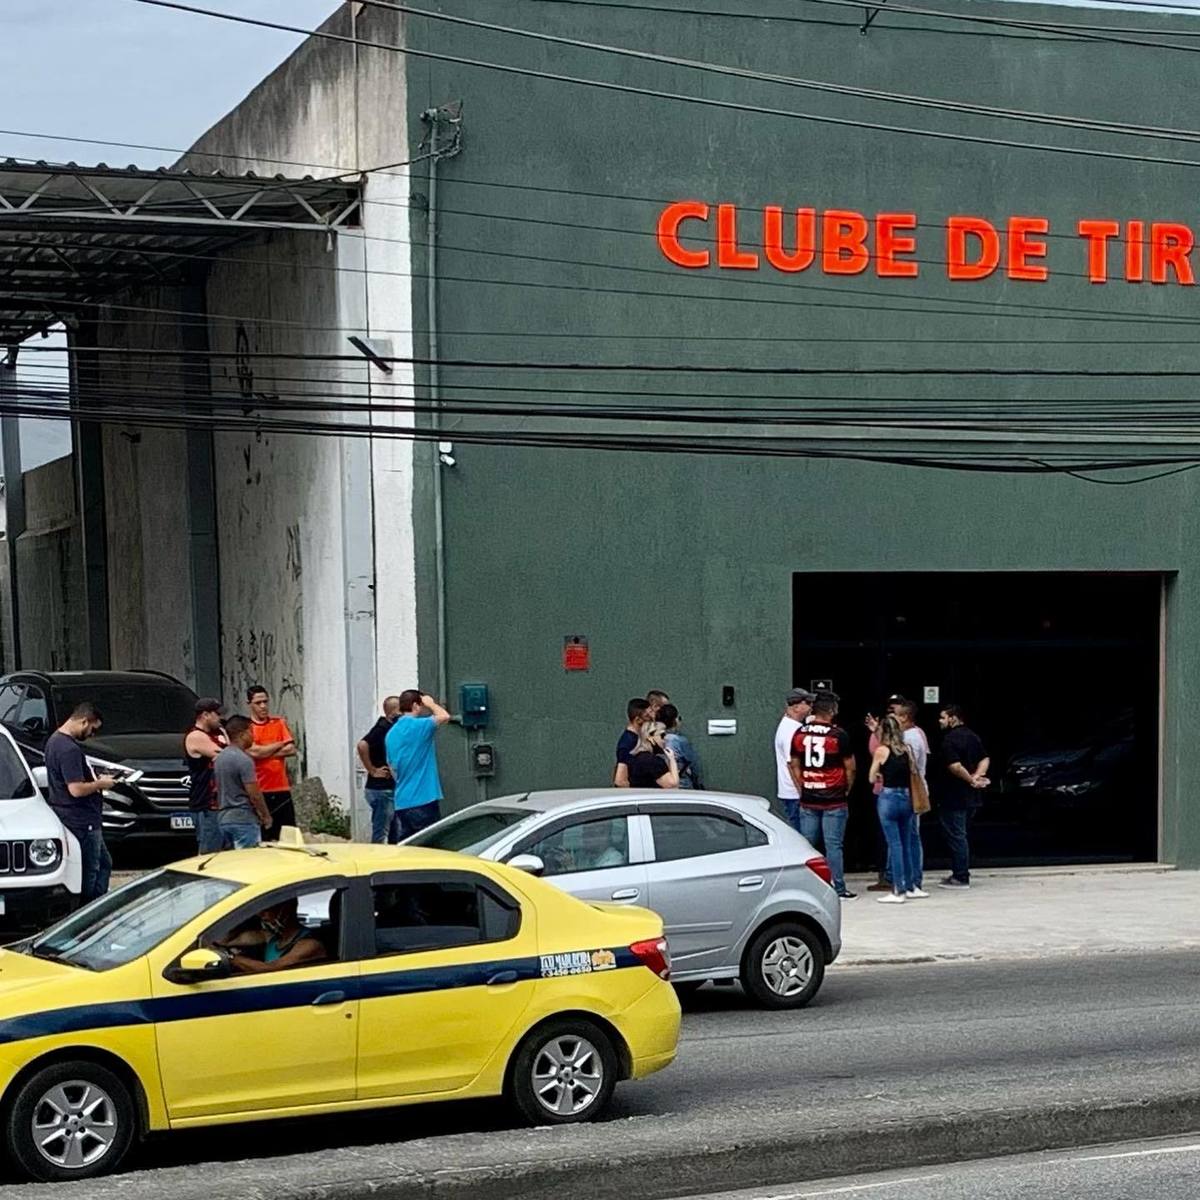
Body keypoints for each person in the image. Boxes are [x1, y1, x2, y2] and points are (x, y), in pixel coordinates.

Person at [44, 702, 116, 906]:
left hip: (74, 815)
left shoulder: (54, 741)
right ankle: (89, 908)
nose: (92, 734)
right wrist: (100, 784)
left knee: (104, 863)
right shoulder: (69, 749)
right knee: (91, 869)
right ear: (84, 721)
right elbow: (75, 789)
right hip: (82, 819)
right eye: (93, 729)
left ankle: (95, 904)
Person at [790, 691, 857, 899]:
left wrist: (802, 786)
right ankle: (838, 888)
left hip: (809, 796)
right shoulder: (838, 735)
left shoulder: (800, 733)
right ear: (832, 711)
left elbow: (794, 764)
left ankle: (805, 887)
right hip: (834, 798)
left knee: (807, 845)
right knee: (833, 845)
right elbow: (850, 767)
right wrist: (846, 789)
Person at [867, 715, 922, 904]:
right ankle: (910, 885)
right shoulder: (907, 750)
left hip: (888, 797)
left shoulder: (882, 750)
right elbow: (913, 771)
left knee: (894, 844)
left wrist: (880, 774)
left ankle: (898, 889)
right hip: (906, 797)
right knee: (906, 843)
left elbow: (871, 778)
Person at [385, 690, 452, 838]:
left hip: (402, 801)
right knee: (429, 846)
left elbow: (392, 767)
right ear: (415, 705)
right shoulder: (420, 726)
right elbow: (444, 716)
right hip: (423, 798)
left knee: (408, 846)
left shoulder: (391, 733)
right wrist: (431, 704)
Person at [937, 705, 990, 889]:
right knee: (961, 834)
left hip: (953, 796)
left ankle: (961, 876)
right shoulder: (973, 736)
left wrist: (970, 779)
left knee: (956, 836)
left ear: (953, 718)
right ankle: (959, 871)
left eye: (943, 717)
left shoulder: (949, 740)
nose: (940, 721)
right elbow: (985, 758)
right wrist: (977, 775)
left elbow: (955, 766)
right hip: (971, 796)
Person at [215, 898, 328, 974]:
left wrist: (231, 958)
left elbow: (272, 969)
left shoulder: (309, 944)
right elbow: (225, 940)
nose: (261, 914)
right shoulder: (271, 936)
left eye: (267, 909)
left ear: (286, 909)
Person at [245, 685, 298, 841]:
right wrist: (278, 744)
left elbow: (291, 749)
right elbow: (254, 752)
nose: (263, 706)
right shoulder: (247, 727)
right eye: (258, 703)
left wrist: (264, 752)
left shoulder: (278, 723)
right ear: (249, 704)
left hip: (281, 787)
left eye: (265, 702)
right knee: (264, 835)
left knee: (288, 834)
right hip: (260, 788)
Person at [214, 715, 272, 849]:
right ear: (242, 734)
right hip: (243, 820)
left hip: (223, 819)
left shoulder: (220, 759)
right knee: (247, 859)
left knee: (231, 860)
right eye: (251, 731)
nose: (253, 736)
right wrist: (266, 816)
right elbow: (254, 794)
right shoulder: (244, 760)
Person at [893, 697, 930, 893]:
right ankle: (911, 879)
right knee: (910, 836)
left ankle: (913, 880)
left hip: (910, 791)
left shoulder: (910, 738)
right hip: (910, 790)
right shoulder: (914, 735)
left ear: (905, 717)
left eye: (896, 715)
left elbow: (910, 767)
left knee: (910, 836)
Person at [184, 698, 227, 855]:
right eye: (217, 714)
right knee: (210, 852)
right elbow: (228, 756)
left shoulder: (219, 733)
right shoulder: (196, 736)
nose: (220, 718)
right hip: (206, 804)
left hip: (220, 803)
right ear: (205, 715)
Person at [357, 695, 401, 843]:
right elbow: (362, 745)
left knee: (395, 830)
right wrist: (372, 770)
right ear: (394, 712)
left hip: (387, 789)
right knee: (381, 832)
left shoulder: (390, 728)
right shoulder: (382, 728)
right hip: (381, 790)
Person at [775, 689, 814, 831]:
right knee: (801, 835)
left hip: (790, 792)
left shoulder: (788, 725)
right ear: (797, 707)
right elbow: (791, 763)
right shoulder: (792, 730)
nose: (811, 706)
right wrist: (803, 793)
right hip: (795, 793)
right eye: (808, 703)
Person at [660, 704, 703, 789]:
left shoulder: (655, 738)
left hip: (662, 782)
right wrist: (699, 783)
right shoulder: (679, 741)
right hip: (682, 783)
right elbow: (694, 764)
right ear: (676, 720)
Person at [627, 721, 680, 789]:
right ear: (650, 737)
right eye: (662, 735)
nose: (665, 739)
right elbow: (673, 784)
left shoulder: (636, 757)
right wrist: (672, 759)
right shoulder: (652, 761)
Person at [614, 697, 650, 787]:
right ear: (637, 719)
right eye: (647, 717)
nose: (651, 720)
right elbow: (620, 780)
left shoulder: (639, 737)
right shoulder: (628, 741)